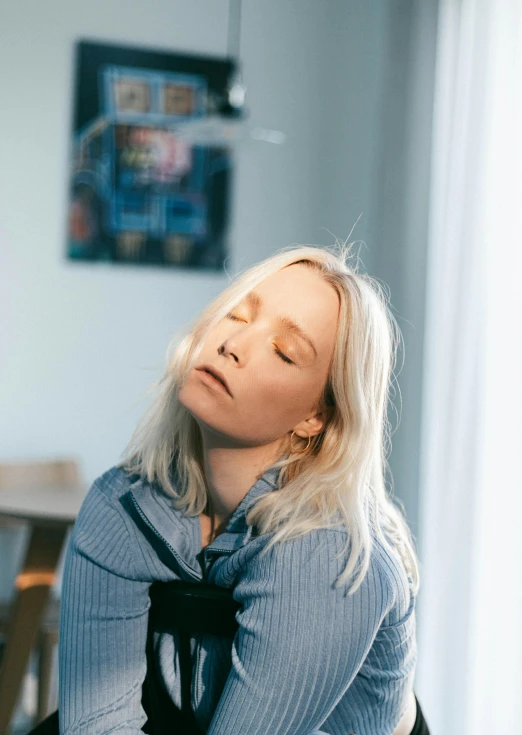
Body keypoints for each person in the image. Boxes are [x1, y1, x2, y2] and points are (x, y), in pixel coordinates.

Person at [57, 243, 430, 735]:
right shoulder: (122, 503)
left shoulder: (329, 556)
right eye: (237, 315)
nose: (233, 344)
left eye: (284, 352)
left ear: (315, 416)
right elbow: (96, 725)